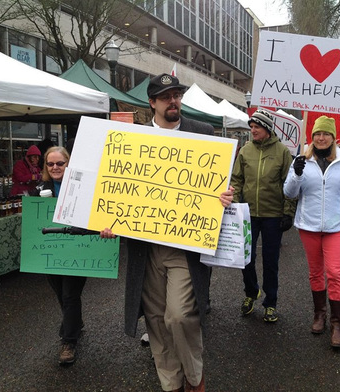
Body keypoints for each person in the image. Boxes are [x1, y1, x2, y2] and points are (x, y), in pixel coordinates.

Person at [100, 73, 234, 392]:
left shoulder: (202, 132)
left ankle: (194, 378)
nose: (173, 100)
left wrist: (225, 196)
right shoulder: (133, 139)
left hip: (184, 246)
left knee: (179, 315)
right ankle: (170, 382)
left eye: (177, 95)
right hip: (145, 247)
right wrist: (107, 219)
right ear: (152, 103)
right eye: (166, 96)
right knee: (157, 320)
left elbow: (216, 184)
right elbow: (117, 189)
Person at [283, 115, 340, 348]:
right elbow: (290, 193)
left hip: (336, 226)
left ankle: (338, 324)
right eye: (317, 134)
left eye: (326, 134)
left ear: (333, 137)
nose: (321, 137)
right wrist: (296, 174)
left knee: (334, 272)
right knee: (316, 273)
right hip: (309, 225)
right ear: (312, 136)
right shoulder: (301, 160)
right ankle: (319, 314)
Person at [230, 109, 295, 323]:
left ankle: (271, 302)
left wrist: (288, 212)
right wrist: (235, 204)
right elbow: (237, 179)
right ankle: (251, 292)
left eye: (256, 127)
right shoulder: (245, 151)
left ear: (267, 129)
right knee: (245, 259)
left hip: (273, 215)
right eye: (251, 127)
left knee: (270, 261)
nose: (252, 130)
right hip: (248, 214)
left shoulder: (282, 152)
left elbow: (289, 184)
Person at [36, 146, 86, 365]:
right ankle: (74, 323)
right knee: (59, 291)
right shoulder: (40, 188)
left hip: (77, 249)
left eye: (60, 163)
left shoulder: (81, 186)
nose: (55, 167)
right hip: (52, 251)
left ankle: (69, 342)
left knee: (70, 295)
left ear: (68, 163)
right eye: (50, 164)